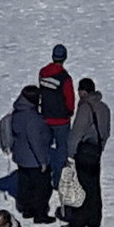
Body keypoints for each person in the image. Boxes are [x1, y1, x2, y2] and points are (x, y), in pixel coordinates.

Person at [61, 77, 111, 227]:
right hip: (96, 151)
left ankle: (78, 222)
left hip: (84, 151)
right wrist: (100, 148)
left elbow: (77, 133)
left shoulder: (85, 108)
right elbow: (106, 132)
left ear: (82, 91)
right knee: (94, 186)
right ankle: (94, 219)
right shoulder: (104, 108)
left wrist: (70, 155)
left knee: (79, 188)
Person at [10, 85, 54, 224]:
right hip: (33, 159)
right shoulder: (33, 118)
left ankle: (27, 209)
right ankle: (40, 213)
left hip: (21, 157)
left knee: (25, 184)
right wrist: (43, 161)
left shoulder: (17, 113)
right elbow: (36, 142)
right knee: (41, 187)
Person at [38, 43, 77, 191]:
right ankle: (58, 180)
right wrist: (69, 112)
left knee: (45, 148)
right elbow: (69, 100)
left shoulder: (43, 73)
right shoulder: (65, 78)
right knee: (61, 150)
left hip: (46, 117)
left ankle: (44, 177)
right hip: (61, 120)